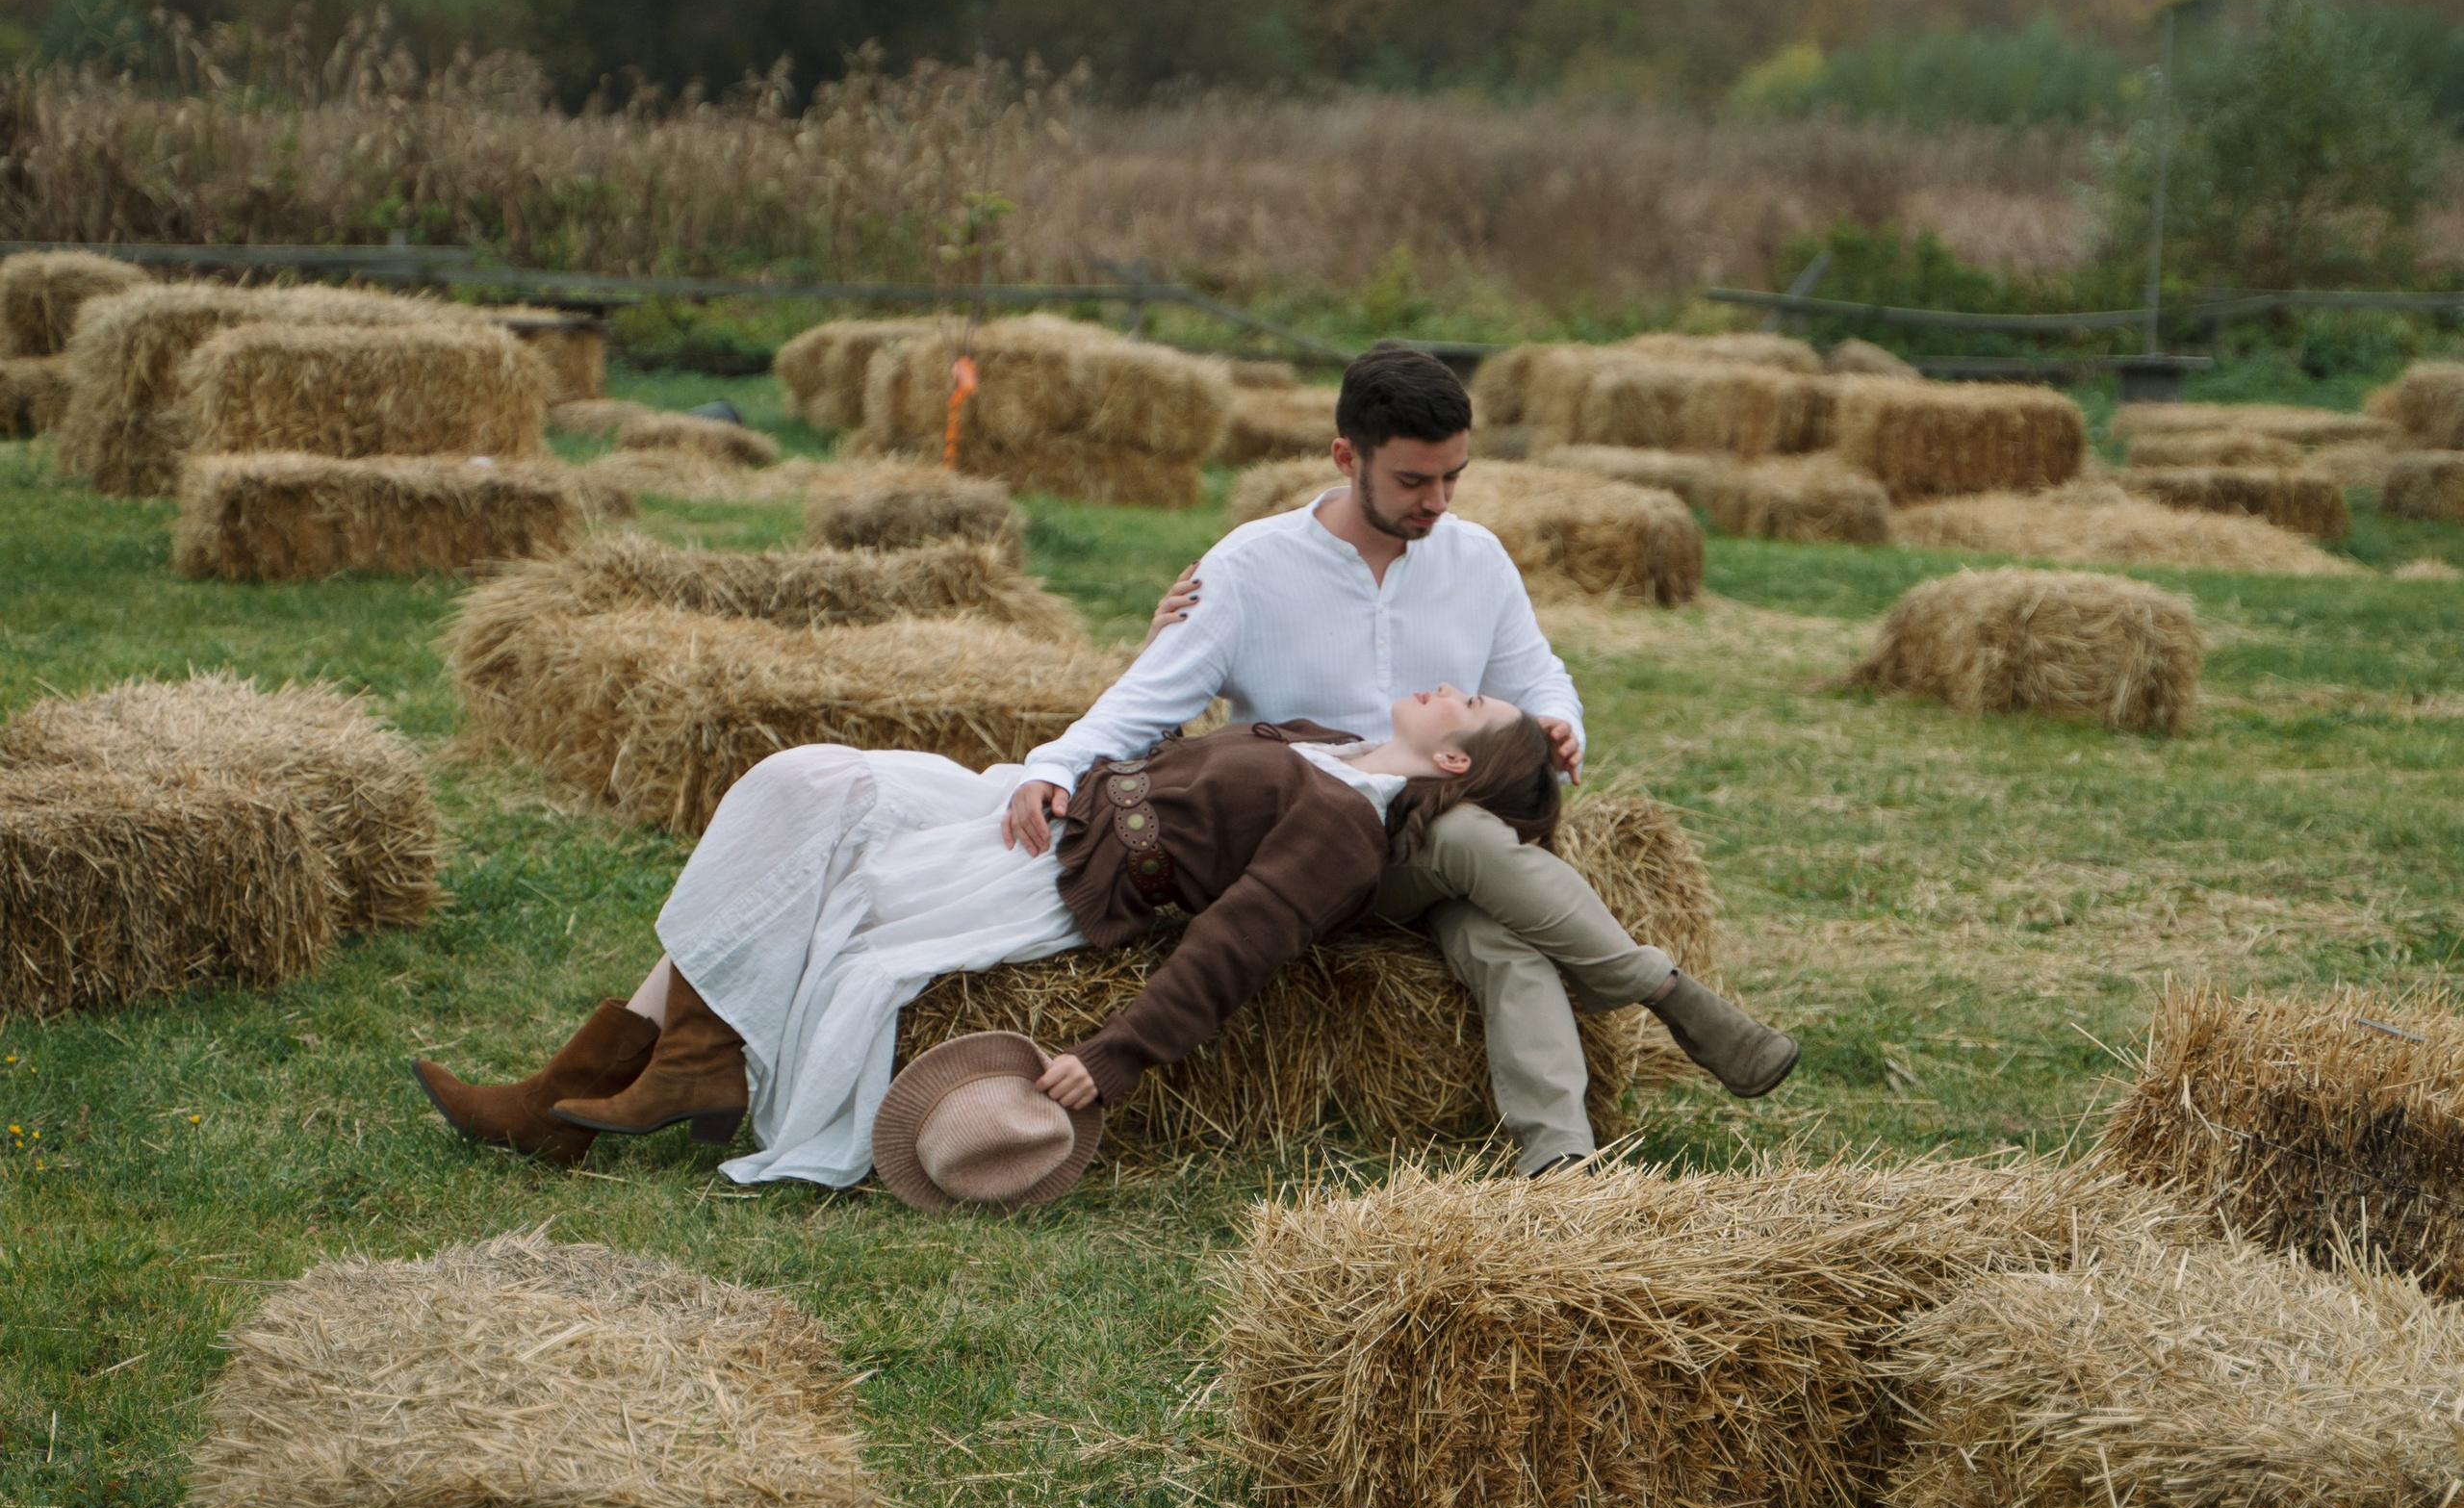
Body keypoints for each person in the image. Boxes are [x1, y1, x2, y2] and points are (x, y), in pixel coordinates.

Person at [997, 341, 1798, 1173]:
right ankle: (1653, 986)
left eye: (1453, 476)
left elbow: (1538, 676)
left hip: (1429, 824)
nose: (1438, 501)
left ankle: (1560, 1163)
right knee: (1470, 844)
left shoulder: (1477, 559)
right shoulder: (1250, 567)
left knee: (1499, 940)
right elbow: (1147, 694)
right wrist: (1054, 766)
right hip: (1311, 844)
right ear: (1348, 457)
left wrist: (1558, 724)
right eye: (1415, 481)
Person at [410, 685, 1578, 1210]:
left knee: (831, 869)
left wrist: (1118, 1054)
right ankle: (623, 1072)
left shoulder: (1341, 831)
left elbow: (1240, 943)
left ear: (1455, 764)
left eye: (1465, 704)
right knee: (798, 777)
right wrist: (1052, 774)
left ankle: (637, 1078)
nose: (1442, 687)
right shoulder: (1326, 739)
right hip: (1028, 808)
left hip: (1056, 883)